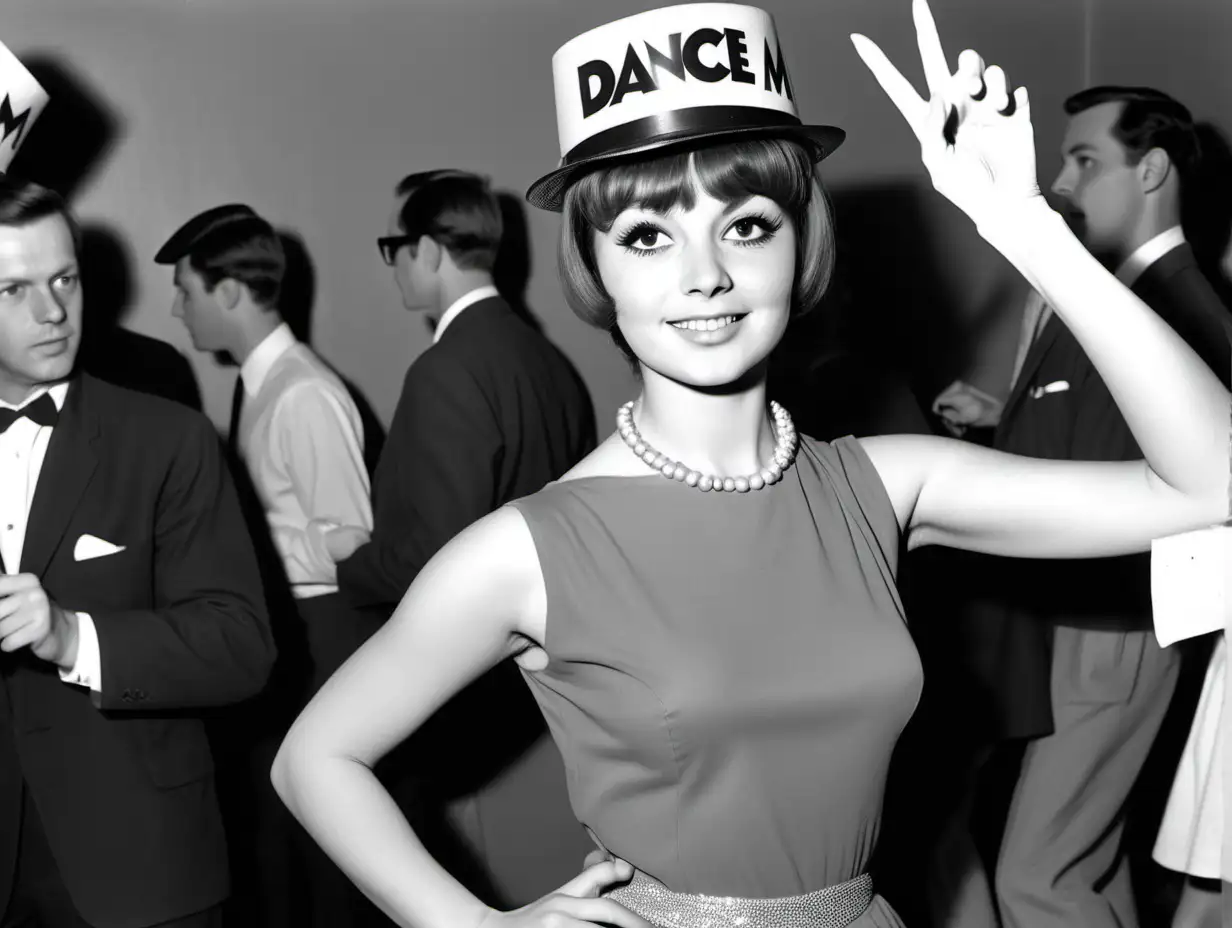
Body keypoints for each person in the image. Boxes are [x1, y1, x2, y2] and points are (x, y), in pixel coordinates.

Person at [270, 4, 1230, 927]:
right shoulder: (527, 551)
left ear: (799, 245)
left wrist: (1029, 229)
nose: (705, 275)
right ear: (595, 270)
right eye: (648, 235)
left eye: (748, 224)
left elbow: (1209, 482)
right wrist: (467, 922)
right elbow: (315, 757)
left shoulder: (884, 485)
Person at [942, 85, 1232, 928]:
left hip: (1114, 624)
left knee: (1038, 877)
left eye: (1084, 160)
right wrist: (1005, 419)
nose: (1063, 182)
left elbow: (1195, 477)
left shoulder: (1184, 307)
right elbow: (1112, 436)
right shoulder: (1115, 289)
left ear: (1151, 170)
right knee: (1088, 866)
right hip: (1068, 619)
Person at [0, 118, 273, 928]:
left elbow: (240, 646)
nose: (53, 312)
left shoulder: (166, 439)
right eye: (13, 290)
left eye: (66, 280)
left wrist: (71, 637)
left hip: (138, 869)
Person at [157, 204, 378, 927]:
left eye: (185, 290)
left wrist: (240, 549)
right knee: (285, 846)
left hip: (322, 639)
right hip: (289, 635)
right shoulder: (261, 383)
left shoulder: (303, 391)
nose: (175, 307)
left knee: (322, 857)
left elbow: (353, 541)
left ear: (227, 293)